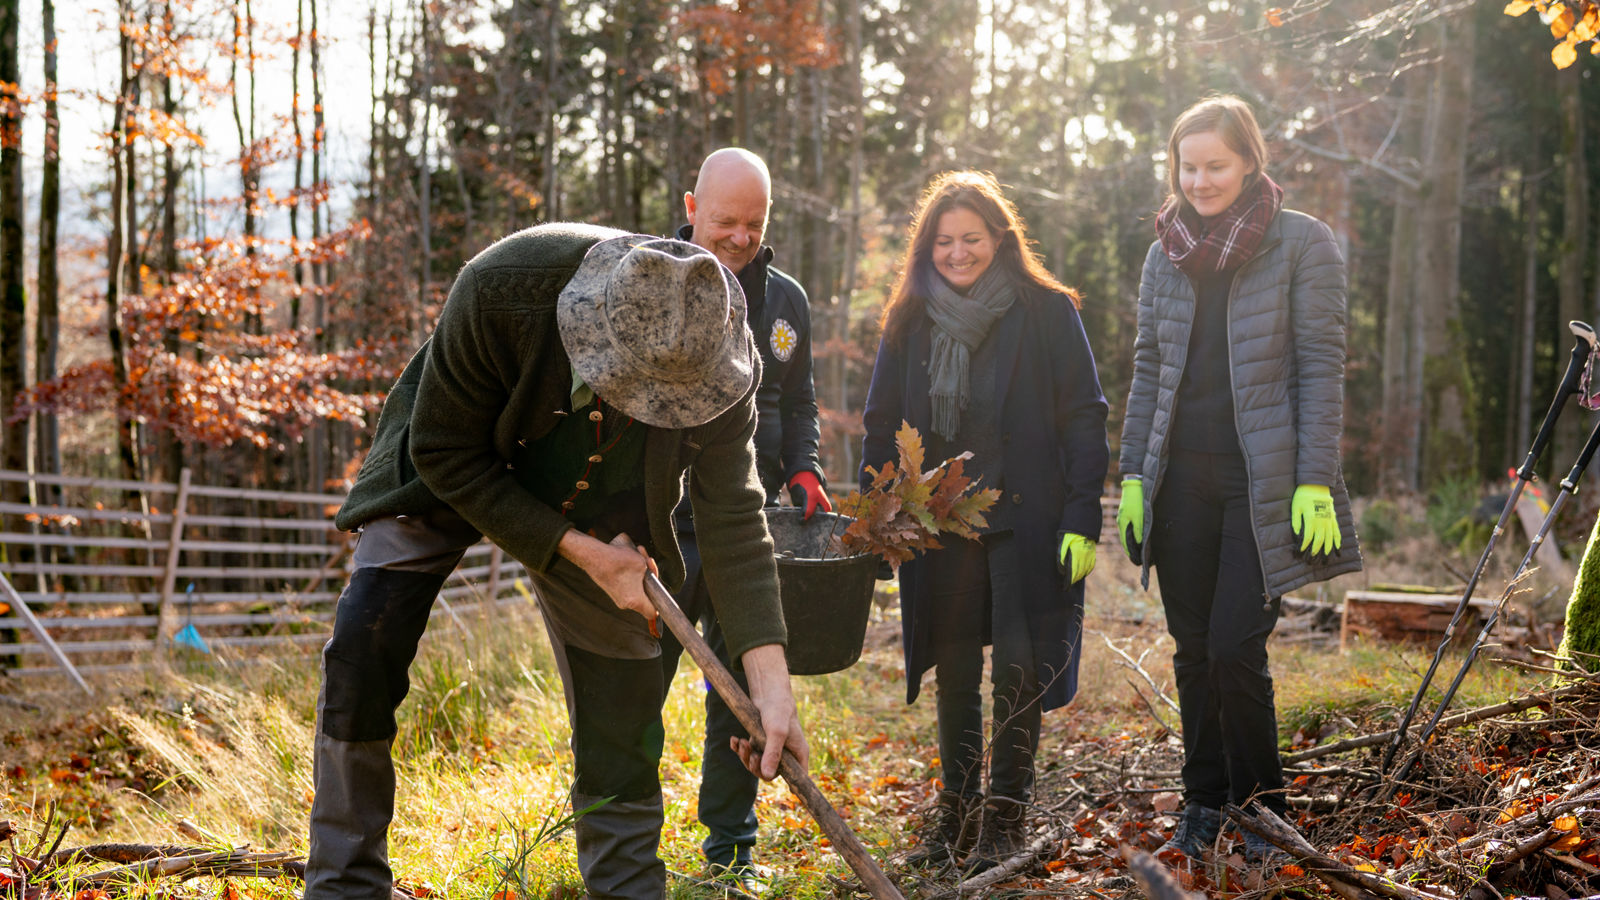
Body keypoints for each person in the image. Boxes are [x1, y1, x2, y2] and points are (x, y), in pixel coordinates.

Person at [304, 223, 810, 900]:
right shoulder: (501, 290)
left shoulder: (723, 355)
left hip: (603, 498)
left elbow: (732, 516)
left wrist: (770, 680)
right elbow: (444, 451)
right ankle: (346, 883)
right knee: (365, 642)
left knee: (625, 692)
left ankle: (627, 887)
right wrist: (580, 554)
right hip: (454, 463)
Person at [1116, 94, 1362, 866]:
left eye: (1215, 165)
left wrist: (1313, 480)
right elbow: (1149, 368)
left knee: (1233, 646)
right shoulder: (1166, 251)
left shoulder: (1300, 244)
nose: (1200, 181)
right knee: (1191, 648)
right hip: (1179, 477)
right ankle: (1202, 800)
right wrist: (1132, 475)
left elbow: (1321, 368)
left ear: (1250, 160)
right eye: (1188, 167)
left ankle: (1262, 809)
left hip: (1264, 483)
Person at [859, 170, 1109, 872]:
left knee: (1021, 669)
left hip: (1030, 519)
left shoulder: (1046, 309)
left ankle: (1006, 817)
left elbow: (1085, 414)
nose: (958, 253)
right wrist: (881, 511)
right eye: (943, 241)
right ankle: (956, 814)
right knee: (957, 669)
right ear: (926, 247)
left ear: (1000, 237)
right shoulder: (910, 317)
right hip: (941, 528)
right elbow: (881, 423)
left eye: (971, 238)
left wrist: (1083, 516)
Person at [657, 147, 829, 890]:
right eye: (724, 220)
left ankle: (730, 853)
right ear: (692, 208)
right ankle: (623, 842)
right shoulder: (649, 280)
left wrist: (804, 464)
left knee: (739, 693)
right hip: (659, 524)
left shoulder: (785, 301)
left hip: (742, 526)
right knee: (633, 687)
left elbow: (799, 398)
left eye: (753, 224)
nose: (738, 236)